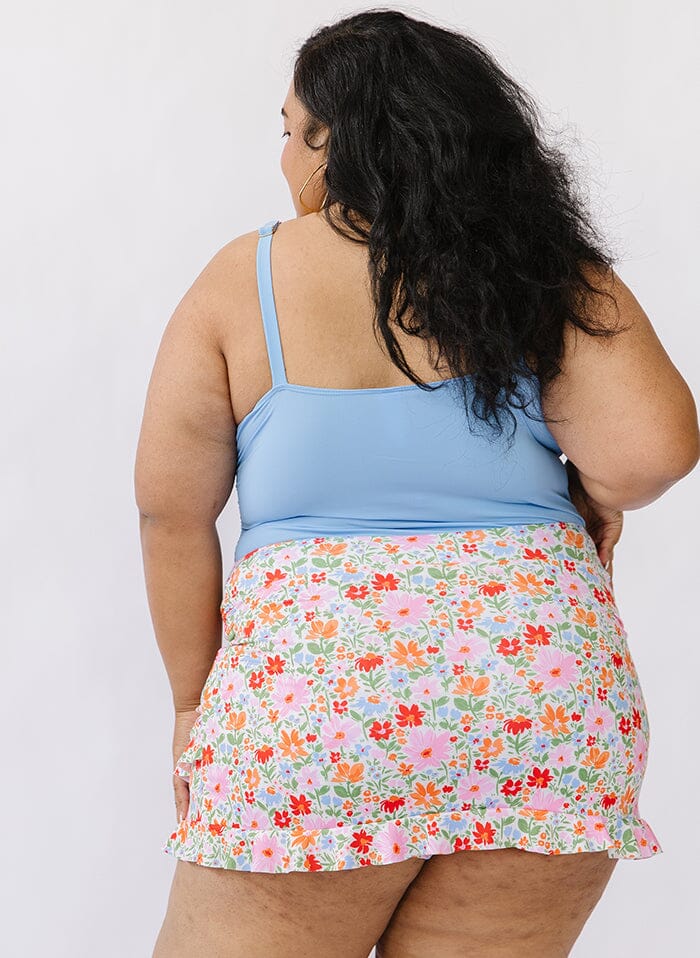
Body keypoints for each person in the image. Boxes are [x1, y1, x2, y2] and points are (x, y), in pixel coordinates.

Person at [135, 10, 699, 957]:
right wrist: (591, 497)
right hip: (542, 711)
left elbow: (169, 510)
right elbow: (651, 453)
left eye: (289, 130)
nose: (283, 160)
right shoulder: (536, 269)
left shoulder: (248, 278)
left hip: (318, 719)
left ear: (334, 142)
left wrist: (193, 704)